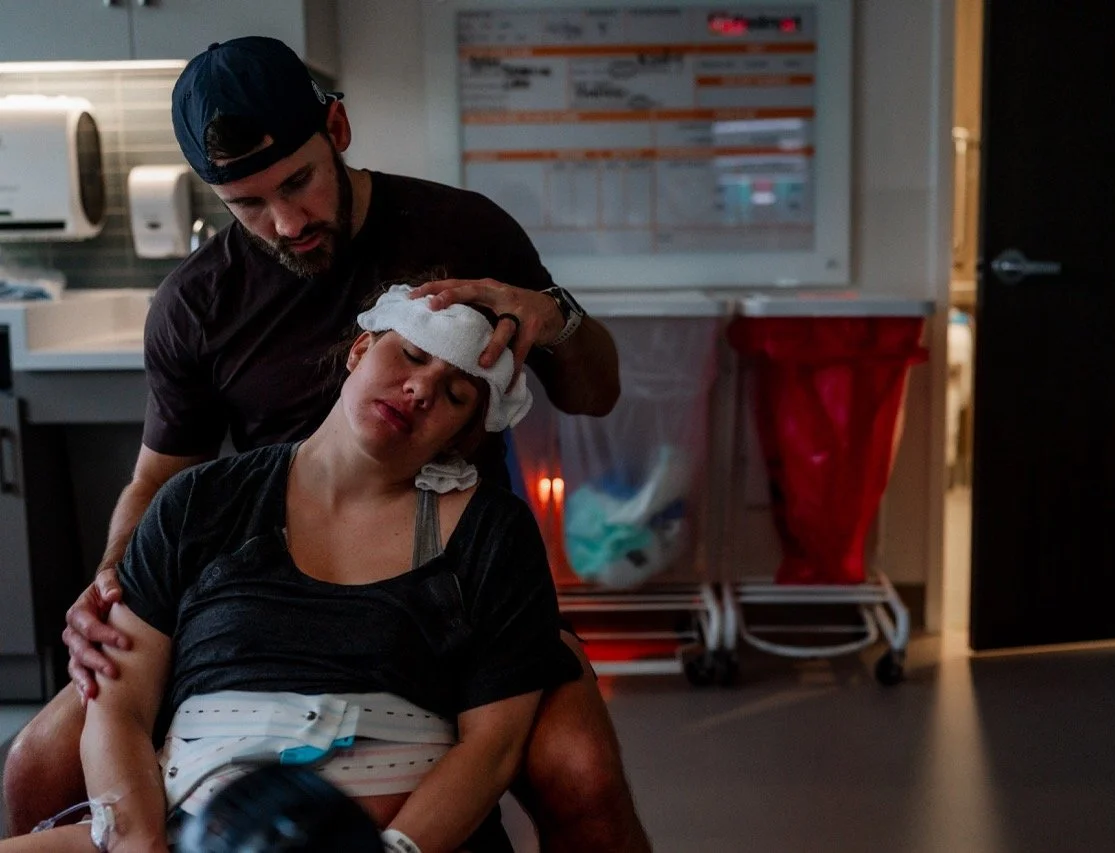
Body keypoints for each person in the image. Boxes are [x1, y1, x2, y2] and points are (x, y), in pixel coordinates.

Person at [2, 37, 650, 852]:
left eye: (298, 182)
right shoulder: (197, 304)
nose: (286, 221)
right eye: (247, 202)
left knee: (578, 769)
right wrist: (112, 584)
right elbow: (161, 476)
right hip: (262, 583)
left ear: (336, 128)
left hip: (446, 587)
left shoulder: (463, 229)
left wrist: (557, 318)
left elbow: (597, 395)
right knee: (36, 760)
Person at [0, 286, 583, 852]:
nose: (420, 388)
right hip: (180, 830)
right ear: (360, 349)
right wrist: (138, 842)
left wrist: (394, 849)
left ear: (463, 431)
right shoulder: (199, 501)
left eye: (456, 395)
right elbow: (119, 706)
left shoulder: (493, 531)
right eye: (410, 354)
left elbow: (492, 747)